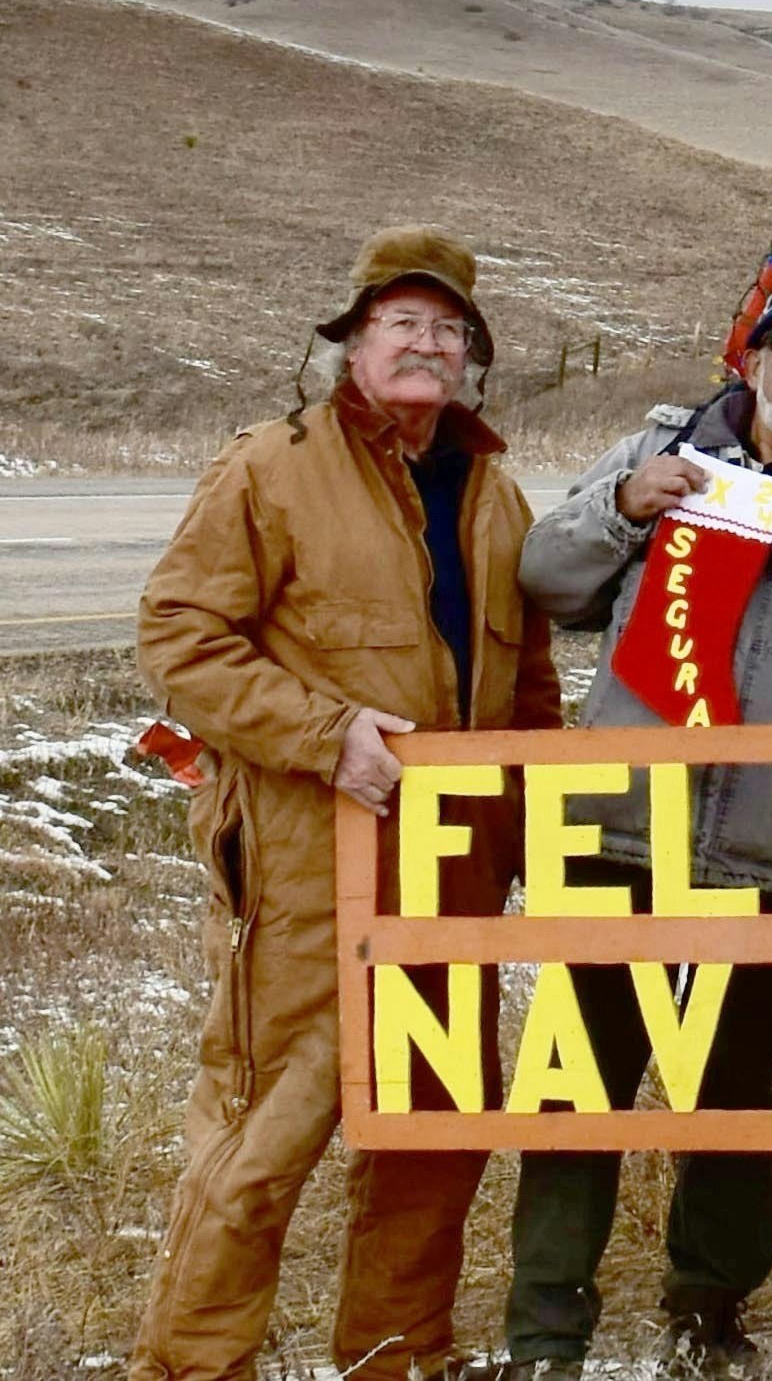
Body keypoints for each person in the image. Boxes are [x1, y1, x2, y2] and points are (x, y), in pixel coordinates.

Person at [483, 286, 772, 1378]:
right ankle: (545, 1326)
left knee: (732, 1085)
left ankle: (707, 1310)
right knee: (576, 1078)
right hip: (612, 828)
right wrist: (623, 508)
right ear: (748, 358)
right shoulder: (654, 452)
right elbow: (546, 580)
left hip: (770, 844)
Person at [131, 226, 562, 1381]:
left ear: (472, 355)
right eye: (402, 324)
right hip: (308, 858)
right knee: (273, 1125)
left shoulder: (493, 490)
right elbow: (178, 633)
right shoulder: (270, 466)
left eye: (448, 329)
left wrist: (535, 842)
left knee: (439, 1118)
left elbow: (527, 691)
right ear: (353, 344)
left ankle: (398, 1354)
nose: (427, 345)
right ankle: (191, 1365)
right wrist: (328, 739)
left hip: (455, 868)